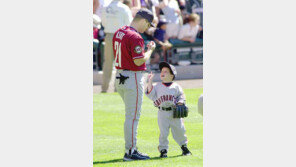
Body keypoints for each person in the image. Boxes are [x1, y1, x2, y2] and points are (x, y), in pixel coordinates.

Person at [113, 8, 156, 161]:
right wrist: (150, 50)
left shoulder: (120, 31)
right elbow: (139, 60)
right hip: (132, 76)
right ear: (143, 20)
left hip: (119, 76)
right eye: (148, 24)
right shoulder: (135, 36)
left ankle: (131, 149)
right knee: (132, 117)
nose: (147, 28)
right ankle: (130, 151)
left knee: (130, 116)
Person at [145, 62, 192, 158]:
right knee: (163, 132)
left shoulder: (176, 86)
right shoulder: (157, 86)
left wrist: (181, 102)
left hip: (174, 112)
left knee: (180, 130)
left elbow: (181, 96)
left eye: (166, 71)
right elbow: (150, 93)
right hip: (162, 112)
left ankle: (184, 147)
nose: (163, 72)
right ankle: (163, 150)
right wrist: (149, 81)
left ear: (172, 75)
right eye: (162, 71)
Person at [101, 0, 133, 93]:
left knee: (107, 63)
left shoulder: (105, 7)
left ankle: (104, 88)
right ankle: (118, 88)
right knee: (121, 63)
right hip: (121, 36)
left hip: (109, 36)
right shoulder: (124, 7)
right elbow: (129, 23)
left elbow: (103, 23)